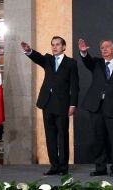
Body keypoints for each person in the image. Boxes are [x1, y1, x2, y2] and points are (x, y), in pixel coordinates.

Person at [21, 36, 79, 176]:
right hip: (47, 103)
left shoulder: (71, 63)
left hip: (63, 104)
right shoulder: (47, 59)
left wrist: (73, 104)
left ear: (64, 47)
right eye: (52, 44)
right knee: (50, 136)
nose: (54, 47)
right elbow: (37, 57)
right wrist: (29, 51)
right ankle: (54, 166)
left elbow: (75, 86)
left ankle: (63, 167)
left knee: (62, 136)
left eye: (58, 44)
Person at [78, 39, 113, 177]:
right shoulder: (96, 63)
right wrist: (84, 52)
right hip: (96, 107)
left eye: (107, 47)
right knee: (99, 139)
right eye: (102, 47)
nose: (104, 49)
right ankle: (100, 168)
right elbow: (87, 61)